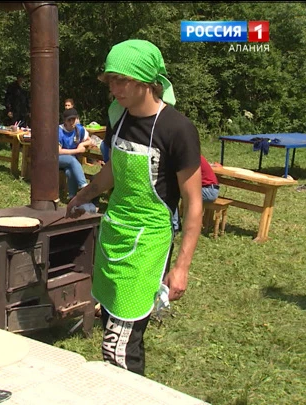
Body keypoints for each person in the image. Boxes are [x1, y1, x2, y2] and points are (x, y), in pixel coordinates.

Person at [65, 39, 202, 376]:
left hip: (149, 242)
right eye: (111, 80)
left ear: (146, 81)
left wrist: (182, 267)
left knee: (120, 344)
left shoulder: (177, 129)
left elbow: (195, 205)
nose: (115, 89)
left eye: (122, 80)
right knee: (112, 320)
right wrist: (86, 193)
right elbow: (114, 168)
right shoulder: (120, 118)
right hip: (115, 233)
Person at [172, 155, 220, 231]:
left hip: (209, 191)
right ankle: (176, 223)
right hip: (210, 188)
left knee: (172, 193)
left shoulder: (189, 158)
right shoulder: (194, 156)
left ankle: (175, 225)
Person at [58, 108, 93, 199]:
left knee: (70, 171)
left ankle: (72, 197)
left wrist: (82, 143)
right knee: (72, 160)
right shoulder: (59, 131)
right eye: (69, 120)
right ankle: (84, 186)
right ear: (64, 121)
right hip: (57, 158)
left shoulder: (79, 129)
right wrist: (77, 151)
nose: (72, 122)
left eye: (74, 119)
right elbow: (58, 151)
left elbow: (90, 141)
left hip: (71, 161)